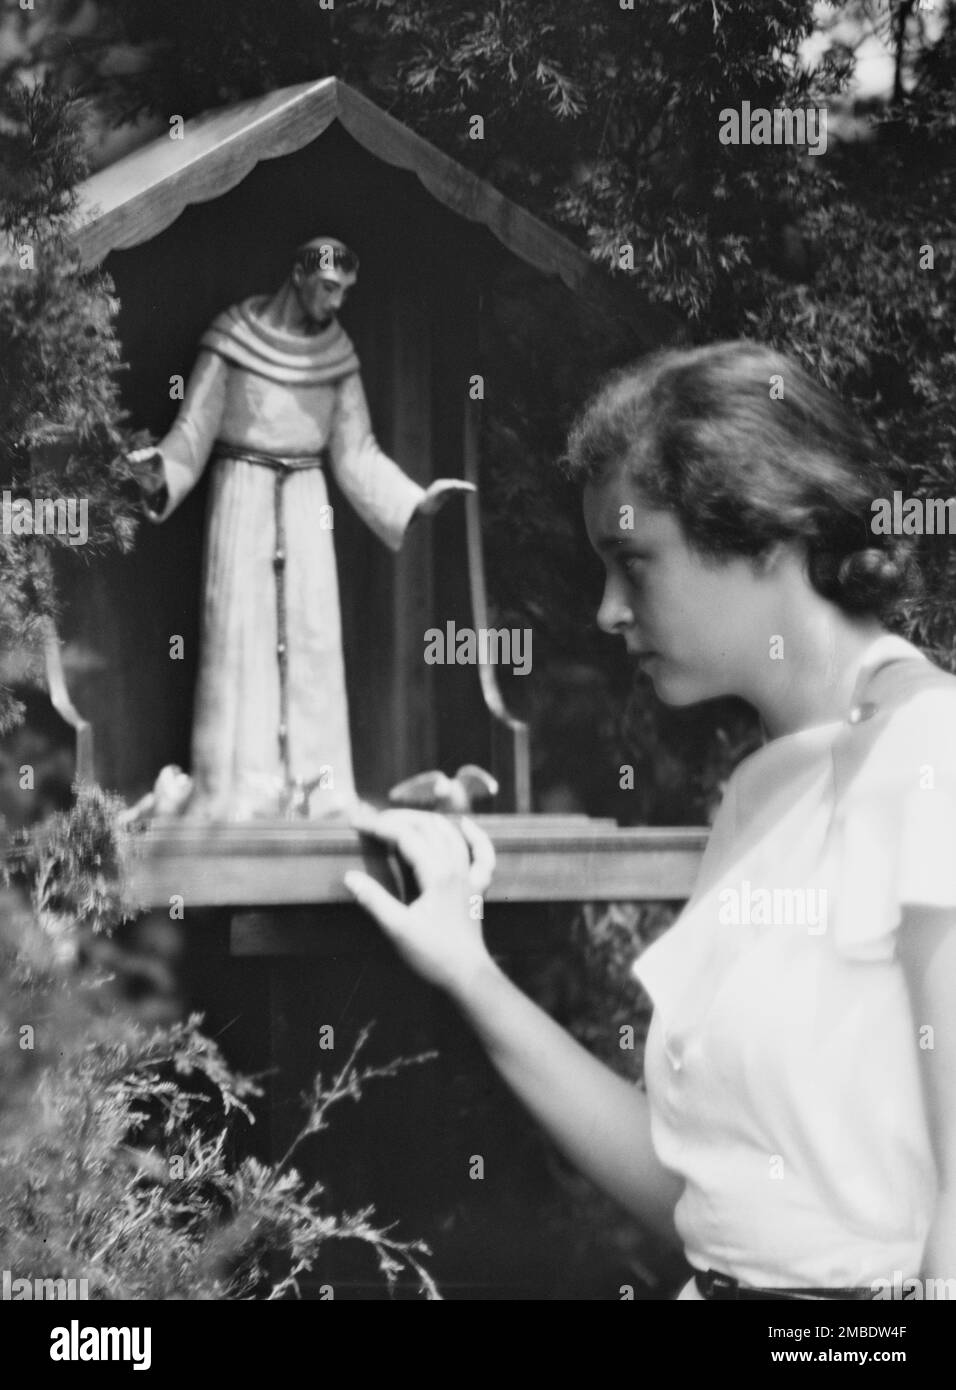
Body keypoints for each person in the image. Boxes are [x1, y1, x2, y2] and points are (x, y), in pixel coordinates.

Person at [344, 341, 956, 1300]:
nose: (606, 611)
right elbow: (700, 1202)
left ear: (767, 535)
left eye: (635, 562)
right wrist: (467, 965)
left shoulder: (932, 753)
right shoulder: (760, 792)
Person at [128, 237, 471, 820]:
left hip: (309, 508)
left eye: (344, 293)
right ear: (299, 275)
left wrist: (415, 500)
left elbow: (357, 452)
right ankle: (236, 794)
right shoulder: (233, 337)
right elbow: (193, 430)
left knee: (311, 641)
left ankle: (316, 791)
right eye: (329, 288)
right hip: (243, 498)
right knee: (242, 639)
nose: (336, 304)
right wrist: (153, 469)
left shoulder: (338, 356)